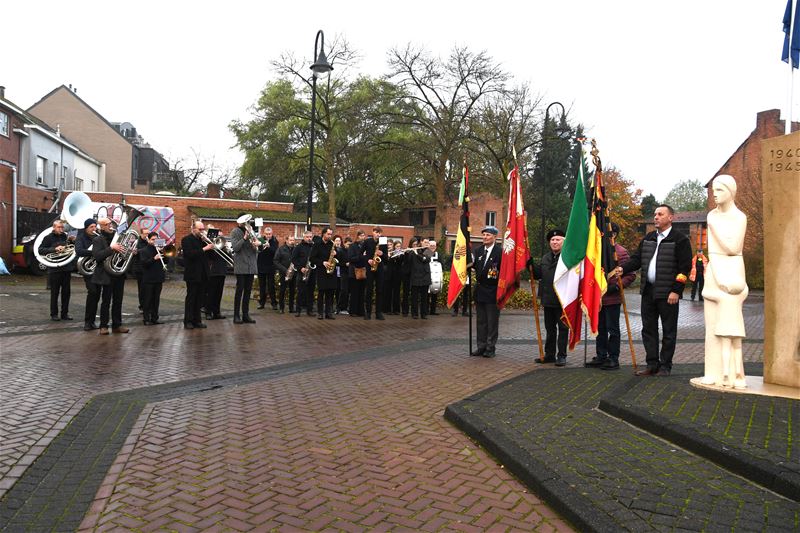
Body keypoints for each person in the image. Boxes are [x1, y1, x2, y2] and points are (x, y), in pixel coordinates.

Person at [611, 204, 692, 377]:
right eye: (655, 214)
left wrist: (676, 290)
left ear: (670, 218)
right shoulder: (648, 238)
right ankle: (652, 364)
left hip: (668, 293)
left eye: (660, 214)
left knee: (668, 331)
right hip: (648, 292)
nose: (656, 217)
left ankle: (665, 366)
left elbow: (684, 268)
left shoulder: (680, 240)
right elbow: (637, 259)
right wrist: (623, 269)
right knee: (648, 330)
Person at [701, 175, 749, 389]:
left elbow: (733, 247)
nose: (715, 195)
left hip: (732, 267)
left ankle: (734, 375)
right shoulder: (712, 215)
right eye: (713, 191)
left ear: (731, 192)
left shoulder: (739, 217)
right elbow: (714, 250)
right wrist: (714, 271)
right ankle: (712, 372)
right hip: (715, 267)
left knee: (730, 330)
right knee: (712, 325)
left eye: (720, 190)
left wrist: (713, 228)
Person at [586, 223, 636, 370]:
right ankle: (601, 356)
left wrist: (617, 286)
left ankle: (613, 358)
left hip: (612, 297)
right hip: (597, 297)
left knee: (612, 329)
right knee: (599, 328)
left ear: (614, 234)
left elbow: (631, 274)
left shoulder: (621, 252)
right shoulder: (596, 251)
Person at [532, 229, 569, 366]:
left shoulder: (568, 257)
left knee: (563, 329)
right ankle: (549, 355)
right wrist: (530, 265)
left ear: (564, 241)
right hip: (548, 299)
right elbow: (538, 275)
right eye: (552, 240)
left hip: (562, 300)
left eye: (558, 239)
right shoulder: (545, 258)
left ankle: (562, 355)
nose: (554, 242)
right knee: (550, 329)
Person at [91, 217, 129, 335]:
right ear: (102, 226)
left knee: (118, 300)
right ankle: (103, 325)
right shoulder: (98, 239)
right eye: (107, 224)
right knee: (106, 301)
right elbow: (97, 256)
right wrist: (111, 248)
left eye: (111, 224)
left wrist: (129, 251)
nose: (110, 226)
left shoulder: (118, 237)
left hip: (118, 273)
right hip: (106, 274)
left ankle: (117, 325)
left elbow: (123, 254)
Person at [471, 226, 502, 358]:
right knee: (481, 322)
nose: (485, 237)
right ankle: (481, 346)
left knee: (492, 322)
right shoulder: (478, 250)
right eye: (483, 235)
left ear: (495, 237)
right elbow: (473, 266)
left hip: (493, 291)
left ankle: (490, 348)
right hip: (480, 291)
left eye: (488, 235)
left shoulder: (500, 252)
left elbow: (503, 272)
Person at [38, 219, 75, 321]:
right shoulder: (48, 237)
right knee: (55, 293)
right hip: (55, 269)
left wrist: (72, 241)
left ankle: (64, 314)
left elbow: (70, 248)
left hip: (66, 268)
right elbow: (40, 250)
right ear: (54, 227)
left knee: (66, 293)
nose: (61, 229)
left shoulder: (65, 236)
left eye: (62, 227)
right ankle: (54, 314)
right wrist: (54, 249)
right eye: (59, 227)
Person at [182, 220, 215, 329]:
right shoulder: (186, 240)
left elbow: (211, 256)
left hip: (203, 274)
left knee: (200, 299)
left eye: (203, 229)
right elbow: (190, 254)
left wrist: (211, 245)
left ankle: (197, 320)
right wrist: (204, 248)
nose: (202, 231)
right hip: (192, 274)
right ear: (193, 229)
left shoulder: (203, 240)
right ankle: (188, 321)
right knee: (191, 298)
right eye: (200, 229)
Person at [230, 215, 259, 324]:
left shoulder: (251, 230)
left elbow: (257, 248)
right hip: (241, 266)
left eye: (247, 221)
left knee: (248, 292)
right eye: (244, 221)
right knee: (239, 291)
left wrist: (256, 245)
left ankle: (245, 315)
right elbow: (235, 248)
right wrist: (244, 238)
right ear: (239, 222)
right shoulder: (235, 232)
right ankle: (236, 315)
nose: (247, 223)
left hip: (251, 266)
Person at [75, 218, 100, 330]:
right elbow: (79, 251)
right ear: (86, 228)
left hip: (98, 269)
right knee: (92, 292)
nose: (94, 229)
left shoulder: (98, 237)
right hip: (88, 270)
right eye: (91, 227)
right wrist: (94, 252)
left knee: (97, 295)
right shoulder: (81, 238)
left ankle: (92, 321)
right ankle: (87, 322)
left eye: (95, 226)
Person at [310, 228, 340, 319]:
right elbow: (312, 258)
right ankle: (320, 313)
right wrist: (322, 262)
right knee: (321, 292)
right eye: (328, 234)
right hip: (321, 271)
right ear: (323, 234)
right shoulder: (317, 244)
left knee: (330, 293)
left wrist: (336, 254)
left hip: (331, 272)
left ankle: (328, 313)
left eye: (331, 234)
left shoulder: (332, 244)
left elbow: (339, 258)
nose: (330, 236)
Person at [138, 232, 165, 325]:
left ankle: (154, 318)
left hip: (158, 278)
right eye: (153, 239)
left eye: (156, 239)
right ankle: (146, 319)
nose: (154, 241)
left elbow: (166, 261)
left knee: (156, 300)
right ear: (148, 240)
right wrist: (154, 258)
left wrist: (163, 252)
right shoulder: (143, 251)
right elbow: (144, 264)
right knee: (147, 300)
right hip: (148, 279)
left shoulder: (160, 249)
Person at [362, 226, 388, 320]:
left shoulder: (383, 241)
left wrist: (382, 254)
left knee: (380, 290)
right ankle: (368, 312)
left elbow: (386, 258)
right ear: (373, 232)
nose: (378, 234)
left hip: (380, 268)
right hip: (370, 268)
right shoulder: (367, 241)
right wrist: (368, 259)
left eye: (379, 233)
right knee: (369, 290)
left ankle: (378, 313)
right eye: (376, 232)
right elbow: (360, 254)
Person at [204, 230, 227, 320]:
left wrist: (226, 248)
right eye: (219, 236)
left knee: (219, 294)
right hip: (213, 272)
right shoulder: (211, 247)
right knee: (211, 293)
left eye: (221, 237)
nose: (220, 238)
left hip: (222, 272)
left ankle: (216, 312)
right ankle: (208, 312)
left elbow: (229, 257)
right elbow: (211, 257)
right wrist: (213, 246)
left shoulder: (224, 247)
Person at [291, 230, 315, 317]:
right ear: (303, 237)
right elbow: (293, 259)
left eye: (310, 237)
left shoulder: (314, 246)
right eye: (307, 237)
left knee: (310, 292)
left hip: (312, 272)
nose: (309, 238)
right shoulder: (298, 247)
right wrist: (300, 268)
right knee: (300, 292)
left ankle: (310, 310)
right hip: (302, 272)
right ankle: (298, 310)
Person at [408, 237, 431, 319]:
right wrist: (408, 252)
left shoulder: (429, 251)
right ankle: (414, 314)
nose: (426, 244)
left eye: (428, 242)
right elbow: (408, 261)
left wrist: (416, 254)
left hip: (425, 277)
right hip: (415, 276)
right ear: (421, 242)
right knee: (414, 297)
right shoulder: (415, 250)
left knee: (424, 297)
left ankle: (423, 314)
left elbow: (425, 259)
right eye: (425, 242)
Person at [257, 226, 279, 310]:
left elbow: (275, 252)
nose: (268, 235)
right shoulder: (261, 240)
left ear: (272, 234)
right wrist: (260, 244)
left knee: (271, 286)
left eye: (269, 234)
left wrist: (269, 246)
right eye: (266, 234)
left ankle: (274, 303)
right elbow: (258, 250)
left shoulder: (274, 241)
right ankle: (262, 303)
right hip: (261, 265)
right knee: (262, 286)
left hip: (270, 266)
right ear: (264, 234)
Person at [273, 235, 296, 314]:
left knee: (292, 291)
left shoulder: (296, 249)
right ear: (286, 240)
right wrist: (285, 270)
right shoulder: (281, 249)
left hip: (294, 273)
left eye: (293, 240)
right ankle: (281, 308)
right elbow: (276, 261)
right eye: (290, 240)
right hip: (284, 273)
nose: (292, 242)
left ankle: (291, 308)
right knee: (282, 290)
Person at [348, 231, 367, 316]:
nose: (363, 237)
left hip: (363, 271)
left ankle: (361, 311)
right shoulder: (352, 246)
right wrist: (362, 256)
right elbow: (351, 258)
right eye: (361, 235)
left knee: (362, 292)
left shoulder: (365, 246)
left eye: (364, 235)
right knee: (354, 292)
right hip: (354, 272)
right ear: (358, 236)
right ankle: (353, 311)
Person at [337, 236, 352, 314]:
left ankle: (346, 308)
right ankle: (340, 308)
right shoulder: (341, 251)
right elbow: (337, 263)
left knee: (348, 291)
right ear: (345, 243)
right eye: (348, 244)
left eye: (350, 245)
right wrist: (345, 264)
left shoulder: (351, 251)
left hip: (350, 273)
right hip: (343, 273)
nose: (349, 246)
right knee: (344, 291)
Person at [427, 239, 441, 315]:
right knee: (427, 294)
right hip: (427, 276)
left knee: (434, 294)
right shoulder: (426, 253)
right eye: (431, 245)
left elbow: (442, 264)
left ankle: (433, 311)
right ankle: (425, 310)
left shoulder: (438, 254)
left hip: (436, 278)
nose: (432, 247)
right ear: (428, 246)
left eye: (434, 246)